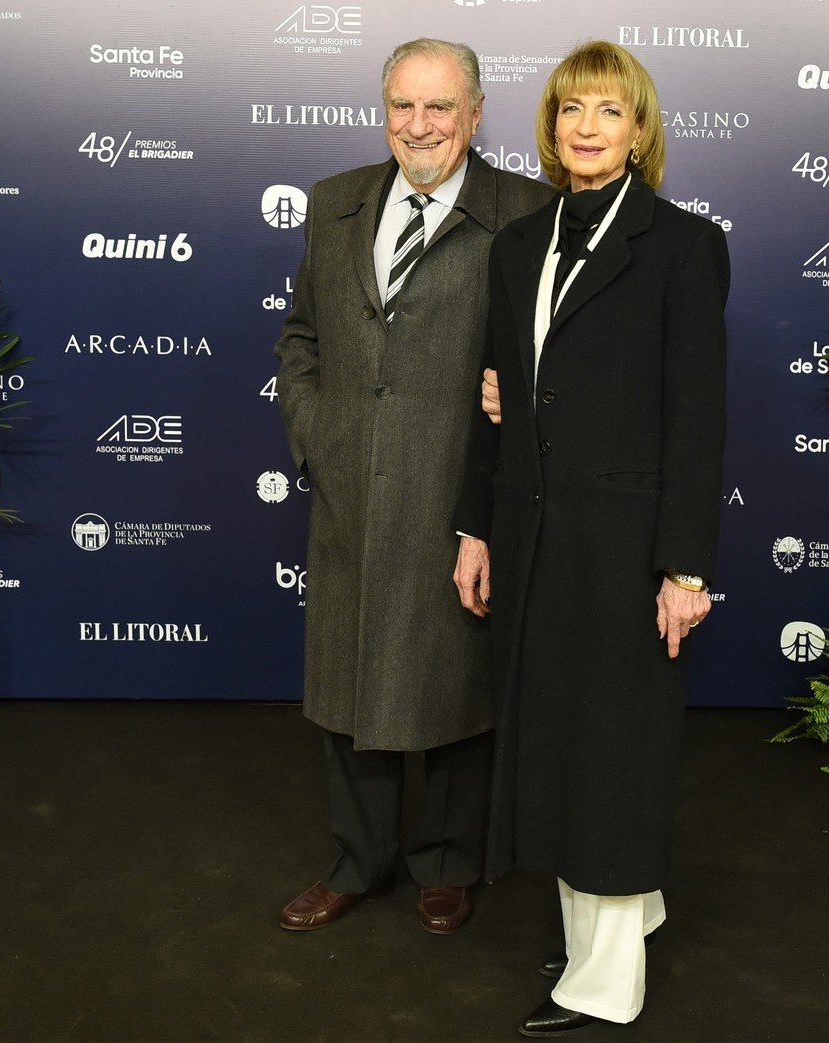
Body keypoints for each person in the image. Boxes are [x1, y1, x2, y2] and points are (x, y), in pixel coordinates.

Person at [452, 40, 729, 1036]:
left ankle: (602, 982)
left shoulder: (683, 247)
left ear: (640, 129)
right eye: (571, 108)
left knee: (612, 754)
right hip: (531, 541)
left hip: (623, 548)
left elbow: (695, 418)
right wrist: (474, 528)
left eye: (608, 111)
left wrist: (684, 566)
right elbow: (499, 404)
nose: (585, 126)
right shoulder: (519, 244)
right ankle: (609, 923)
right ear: (549, 124)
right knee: (562, 744)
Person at [273, 38, 554, 936]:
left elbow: (563, 349)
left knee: (458, 685)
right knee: (351, 683)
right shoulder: (333, 203)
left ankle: (447, 864)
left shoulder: (526, 211)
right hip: (353, 489)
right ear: (383, 109)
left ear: (475, 114)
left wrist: (530, 395)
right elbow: (301, 337)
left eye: (439, 107)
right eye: (403, 105)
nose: (419, 125)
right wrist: (317, 431)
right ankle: (358, 862)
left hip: (460, 491)